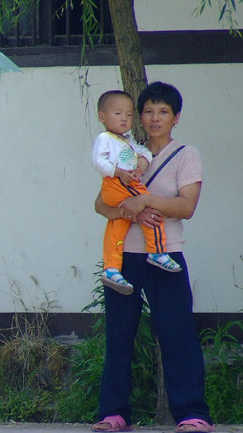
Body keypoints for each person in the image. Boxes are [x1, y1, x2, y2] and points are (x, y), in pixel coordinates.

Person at [91, 81, 214, 433]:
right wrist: (130, 212)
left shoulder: (186, 154)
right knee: (119, 335)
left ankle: (192, 412)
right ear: (139, 117)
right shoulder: (126, 151)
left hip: (166, 254)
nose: (155, 118)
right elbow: (101, 203)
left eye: (163, 112)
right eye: (148, 111)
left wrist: (144, 201)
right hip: (124, 257)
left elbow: (186, 206)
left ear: (176, 118)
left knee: (177, 333)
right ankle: (114, 412)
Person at [92, 90, 182, 296]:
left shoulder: (128, 141)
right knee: (150, 210)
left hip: (118, 188)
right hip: (116, 183)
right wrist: (120, 173)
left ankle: (112, 268)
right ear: (102, 117)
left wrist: (142, 162)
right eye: (149, 111)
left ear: (175, 118)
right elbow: (98, 163)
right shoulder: (105, 138)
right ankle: (157, 251)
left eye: (128, 114)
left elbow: (141, 153)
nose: (124, 118)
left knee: (116, 228)